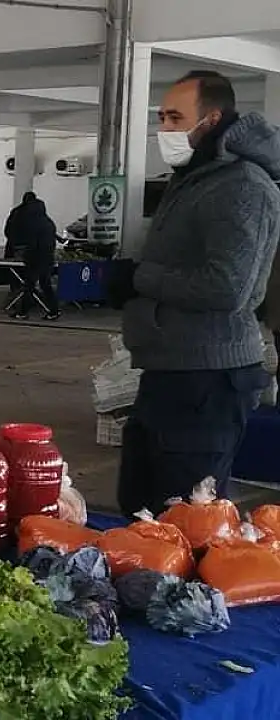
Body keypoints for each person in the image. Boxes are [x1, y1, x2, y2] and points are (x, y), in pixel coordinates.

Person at [112, 71, 280, 516]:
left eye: (175, 118)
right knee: (141, 505)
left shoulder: (242, 185)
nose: (165, 129)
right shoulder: (196, 177)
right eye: (161, 118)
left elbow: (228, 286)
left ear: (212, 119)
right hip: (171, 368)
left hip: (207, 379)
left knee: (185, 516)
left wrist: (140, 278)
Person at [3, 191, 61, 321]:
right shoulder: (49, 222)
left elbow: (27, 240)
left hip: (34, 258)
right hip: (48, 257)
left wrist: (26, 254)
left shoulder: (30, 221)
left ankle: (23, 312)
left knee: (29, 285)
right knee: (45, 285)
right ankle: (54, 310)